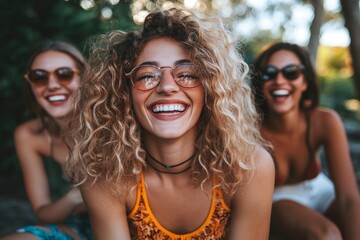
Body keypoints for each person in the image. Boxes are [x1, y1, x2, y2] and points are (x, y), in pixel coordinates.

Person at [66, 7, 275, 240]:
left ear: (211, 89)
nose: (167, 86)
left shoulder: (249, 166)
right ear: (123, 93)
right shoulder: (104, 173)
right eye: (147, 75)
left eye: (187, 74)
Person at [251, 41, 360, 240]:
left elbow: (348, 198)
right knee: (328, 235)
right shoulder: (251, 130)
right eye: (269, 73)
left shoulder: (325, 121)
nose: (280, 80)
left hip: (320, 190)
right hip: (278, 199)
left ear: (305, 81)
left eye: (291, 72)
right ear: (261, 83)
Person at [0, 40, 92, 240]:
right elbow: (43, 212)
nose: (52, 85)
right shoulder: (29, 135)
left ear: (84, 78)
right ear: (31, 85)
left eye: (65, 74)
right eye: (39, 77)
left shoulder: (111, 124)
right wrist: (74, 196)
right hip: (79, 227)